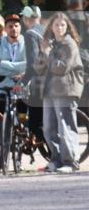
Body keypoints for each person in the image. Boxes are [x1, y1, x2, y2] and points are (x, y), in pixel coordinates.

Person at [34, 12, 85, 173]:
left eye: (63, 25)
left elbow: (60, 68)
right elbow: (38, 68)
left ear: (67, 27)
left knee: (65, 126)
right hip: (49, 90)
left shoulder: (70, 45)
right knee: (49, 128)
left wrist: (48, 53)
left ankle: (70, 162)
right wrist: (42, 52)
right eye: (56, 25)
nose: (59, 28)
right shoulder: (50, 44)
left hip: (66, 89)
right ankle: (56, 160)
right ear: (51, 27)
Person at [0, 14, 26, 165]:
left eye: (16, 26)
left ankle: (19, 159)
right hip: (2, 87)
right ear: (6, 28)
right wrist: (16, 70)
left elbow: (29, 65)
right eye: (10, 26)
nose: (14, 29)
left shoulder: (27, 43)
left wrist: (5, 65)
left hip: (21, 86)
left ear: (20, 27)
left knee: (22, 122)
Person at [20, 6, 45, 141]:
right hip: (55, 81)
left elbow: (33, 64)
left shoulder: (30, 34)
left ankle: (56, 155)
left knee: (35, 125)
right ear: (39, 17)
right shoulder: (48, 31)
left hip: (40, 84)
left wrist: (22, 82)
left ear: (25, 19)